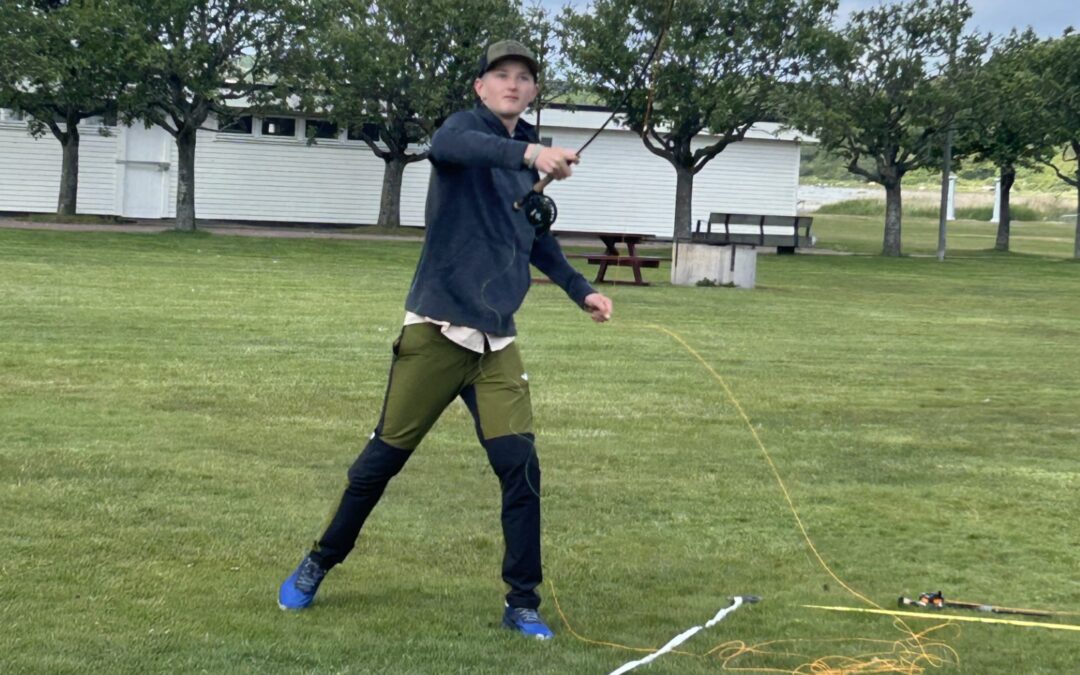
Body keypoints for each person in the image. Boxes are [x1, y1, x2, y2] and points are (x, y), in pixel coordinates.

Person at [277, 39, 613, 641]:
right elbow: (452, 147)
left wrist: (580, 290)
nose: (512, 83)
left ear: (534, 90)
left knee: (521, 469)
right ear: (481, 87)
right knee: (380, 462)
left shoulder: (527, 159)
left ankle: (522, 602)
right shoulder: (466, 132)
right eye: (500, 75)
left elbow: (535, 238)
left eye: (523, 77)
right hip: (435, 332)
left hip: (496, 345)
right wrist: (531, 152)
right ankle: (319, 560)